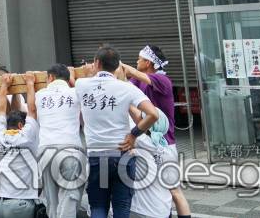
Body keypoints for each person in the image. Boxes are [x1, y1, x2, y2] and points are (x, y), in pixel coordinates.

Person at [77, 46, 159, 218]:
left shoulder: (81, 85)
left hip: (96, 155)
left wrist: (87, 72)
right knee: (122, 209)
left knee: (98, 207)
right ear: (117, 67)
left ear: (96, 63)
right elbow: (153, 114)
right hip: (122, 153)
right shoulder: (126, 88)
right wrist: (133, 135)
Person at [121, 44, 191, 218]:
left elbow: (133, 73)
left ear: (148, 62)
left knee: (174, 191)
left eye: (139, 58)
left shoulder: (162, 80)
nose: (136, 61)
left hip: (165, 145)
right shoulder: (138, 82)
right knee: (158, 192)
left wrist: (118, 65)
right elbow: (124, 86)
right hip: (148, 143)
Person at [0, 72, 40, 217]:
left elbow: (0, 110)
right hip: (19, 203)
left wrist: (4, 85)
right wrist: (30, 83)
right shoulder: (27, 136)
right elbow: (32, 111)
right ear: (21, 124)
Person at [35, 64, 83, 218]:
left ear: (50, 77)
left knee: (51, 198)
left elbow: (31, 109)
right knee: (70, 194)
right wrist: (73, 81)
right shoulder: (76, 92)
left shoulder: (40, 94)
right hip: (69, 150)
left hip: (45, 151)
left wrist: (30, 84)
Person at [130, 110, 178, 218]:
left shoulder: (139, 141)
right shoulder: (167, 151)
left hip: (140, 210)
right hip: (163, 211)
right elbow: (175, 190)